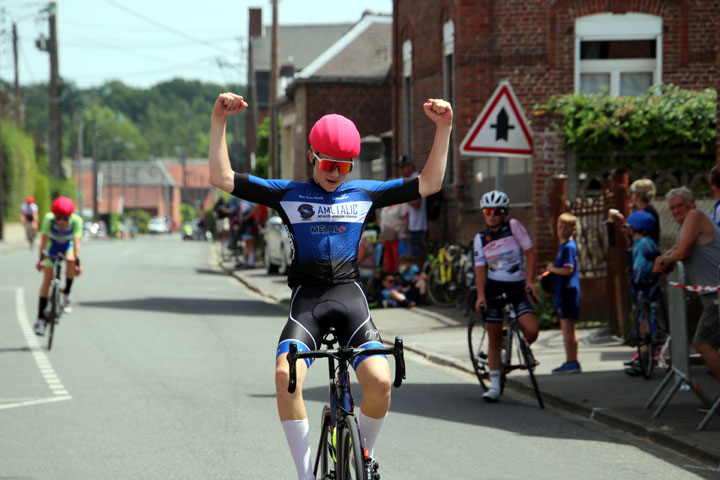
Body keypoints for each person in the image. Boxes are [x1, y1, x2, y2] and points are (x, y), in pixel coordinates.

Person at [208, 91, 452, 479]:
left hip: (350, 299)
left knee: (381, 382)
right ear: (311, 156)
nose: (335, 172)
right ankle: (306, 475)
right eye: (327, 163)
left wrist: (444, 127)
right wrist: (218, 120)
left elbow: (430, 182)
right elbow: (221, 177)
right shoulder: (288, 194)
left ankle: (365, 453)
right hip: (309, 304)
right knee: (284, 378)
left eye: (344, 165)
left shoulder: (363, 194)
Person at [473, 190, 538, 402]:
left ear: (504, 213)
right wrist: (481, 296)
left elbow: (529, 252)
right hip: (494, 288)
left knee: (532, 330)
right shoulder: (480, 239)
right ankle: (494, 385)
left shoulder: (514, 227)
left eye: (497, 212)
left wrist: (529, 281)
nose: (492, 215)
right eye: (488, 211)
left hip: (516, 286)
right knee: (493, 337)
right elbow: (480, 269)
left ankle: (518, 345)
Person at [653, 186, 720, 382]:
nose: (675, 211)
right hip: (710, 296)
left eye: (679, 206)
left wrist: (664, 261)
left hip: (716, 296)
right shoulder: (683, 228)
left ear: (692, 203)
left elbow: (681, 253)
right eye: (672, 208)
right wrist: (663, 259)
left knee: (703, 344)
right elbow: (674, 251)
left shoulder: (695, 216)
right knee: (709, 344)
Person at [33, 197, 84, 336]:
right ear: (54, 216)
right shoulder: (49, 220)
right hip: (53, 247)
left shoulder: (76, 221)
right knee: (47, 279)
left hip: (68, 246)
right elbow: (43, 242)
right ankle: (40, 320)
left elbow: (77, 244)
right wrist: (41, 260)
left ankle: (66, 293)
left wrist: (77, 263)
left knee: (71, 262)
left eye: (65, 218)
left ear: (70, 216)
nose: (62, 222)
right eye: (59, 218)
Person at [623, 210, 661, 375]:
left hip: (644, 288)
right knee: (645, 320)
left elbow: (639, 269)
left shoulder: (642, 244)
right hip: (646, 287)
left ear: (634, 228)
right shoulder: (643, 243)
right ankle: (645, 355)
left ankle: (645, 357)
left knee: (645, 321)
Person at [546, 213, 582, 374]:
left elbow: (568, 270)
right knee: (567, 327)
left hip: (568, 291)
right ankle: (571, 360)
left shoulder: (568, 247)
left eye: (566, 227)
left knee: (567, 327)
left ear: (573, 229)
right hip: (564, 290)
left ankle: (571, 361)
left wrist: (552, 269)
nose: (561, 230)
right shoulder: (565, 246)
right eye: (559, 227)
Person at [612, 178, 660, 245]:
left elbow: (629, 232)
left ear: (636, 194)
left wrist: (621, 220)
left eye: (631, 192)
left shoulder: (642, 215)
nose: (630, 195)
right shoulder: (651, 211)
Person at [399, 155, 428, 261]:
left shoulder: (416, 179)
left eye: (403, 167)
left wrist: (401, 195)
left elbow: (416, 203)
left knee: (416, 258)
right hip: (413, 226)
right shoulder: (413, 179)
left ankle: (419, 277)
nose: (401, 170)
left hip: (417, 226)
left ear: (410, 166)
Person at [377, 198, 408, 275]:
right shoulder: (385, 205)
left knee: (398, 258)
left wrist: (404, 234)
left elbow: (406, 220)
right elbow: (381, 220)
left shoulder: (401, 204)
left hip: (397, 237)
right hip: (386, 237)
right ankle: (391, 277)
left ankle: (400, 277)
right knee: (388, 259)